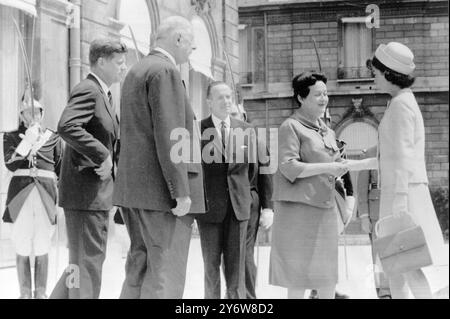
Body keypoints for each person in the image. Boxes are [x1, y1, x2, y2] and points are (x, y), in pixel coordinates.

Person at [113, 16, 206, 299]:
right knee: (163, 272)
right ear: (178, 39)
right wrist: (181, 190)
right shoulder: (165, 71)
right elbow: (171, 134)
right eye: (191, 44)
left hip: (135, 191)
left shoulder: (135, 71)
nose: (192, 52)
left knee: (138, 267)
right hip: (160, 193)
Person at [362, 42, 446, 299]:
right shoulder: (401, 102)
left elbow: (401, 159)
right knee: (398, 268)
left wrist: (398, 210)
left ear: (388, 74)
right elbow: (391, 151)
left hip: (402, 197)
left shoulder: (400, 105)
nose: (373, 78)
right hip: (403, 194)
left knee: (406, 265)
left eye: (375, 73)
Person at [50, 38, 127, 299]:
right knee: (87, 265)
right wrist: (102, 155)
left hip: (94, 197)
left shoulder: (103, 94)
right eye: (119, 62)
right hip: (86, 197)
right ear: (101, 61)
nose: (123, 68)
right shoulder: (89, 90)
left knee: (80, 264)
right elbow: (67, 125)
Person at [269, 72, 348, 299]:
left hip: (325, 209)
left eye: (325, 94)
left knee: (327, 276)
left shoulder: (327, 130)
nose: (324, 99)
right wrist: (328, 168)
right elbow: (289, 167)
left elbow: (337, 165)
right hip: (298, 212)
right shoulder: (290, 127)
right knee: (298, 276)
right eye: (317, 95)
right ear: (301, 98)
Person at [197, 81, 257, 299]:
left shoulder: (246, 130)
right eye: (220, 97)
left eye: (229, 97)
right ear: (209, 102)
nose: (226, 101)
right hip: (209, 210)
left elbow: (251, 171)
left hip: (238, 210)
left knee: (236, 272)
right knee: (210, 269)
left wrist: (240, 196)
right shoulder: (198, 130)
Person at [3, 98, 62, 299]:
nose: (33, 116)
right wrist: (27, 141)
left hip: (45, 196)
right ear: (21, 115)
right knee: (22, 243)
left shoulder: (52, 137)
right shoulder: (11, 136)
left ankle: (42, 293)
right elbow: (10, 164)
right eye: (28, 113)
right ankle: (25, 293)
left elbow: (60, 169)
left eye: (37, 112)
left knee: (43, 244)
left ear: (42, 114)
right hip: (20, 197)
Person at [229, 102, 274, 299]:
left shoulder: (256, 141)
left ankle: (247, 298)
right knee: (230, 254)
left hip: (248, 200)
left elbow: (266, 175)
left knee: (244, 252)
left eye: (235, 114)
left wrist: (268, 208)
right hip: (225, 203)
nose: (231, 119)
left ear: (245, 117)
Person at [357, 148, 391, 299]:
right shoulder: (369, 154)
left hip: (396, 206)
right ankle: (384, 292)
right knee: (378, 253)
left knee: (399, 247)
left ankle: (397, 287)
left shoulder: (400, 149)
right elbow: (362, 188)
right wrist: (364, 216)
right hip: (376, 210)